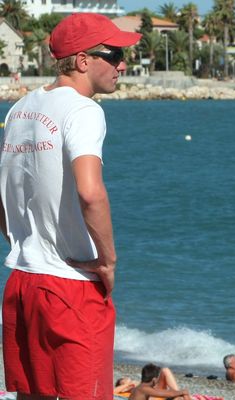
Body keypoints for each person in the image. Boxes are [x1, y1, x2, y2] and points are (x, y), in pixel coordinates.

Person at [0, 13, 141, 400]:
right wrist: (107, 261)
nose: (123, 65)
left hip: (22, 280)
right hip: (71, 285)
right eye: (113, 55)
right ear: (82, 61)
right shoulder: (83, 110)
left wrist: (23, 237)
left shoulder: (18, 111)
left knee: (32, 395)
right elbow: (90, 192)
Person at [115, 366, 183, 396]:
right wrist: (127, 385)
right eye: (123, 381)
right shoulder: (126, 389)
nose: (126, 379)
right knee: (165, 370)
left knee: (165, 370)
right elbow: (113, 391)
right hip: (154, 391)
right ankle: (178, 394)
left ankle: (178, 393)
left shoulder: (135, 384)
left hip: (155, 388)